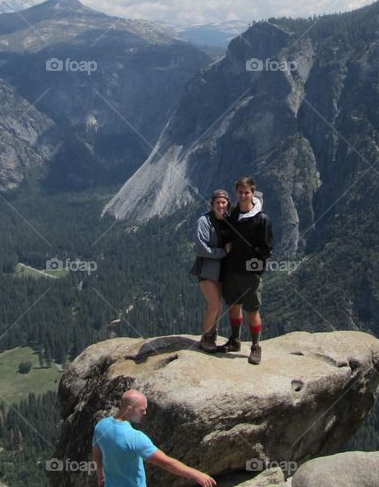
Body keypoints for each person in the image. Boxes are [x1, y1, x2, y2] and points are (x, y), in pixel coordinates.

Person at [91, 389, 216, 487]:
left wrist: (100, 475)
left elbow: (96, 453)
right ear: (129, 410)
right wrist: (197, 475)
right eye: (142, 410)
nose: (145, 413)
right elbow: (167, 463)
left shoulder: (101, 426)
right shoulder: (135, 438)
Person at [220, 176, 273, 365]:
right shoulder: (233, 215)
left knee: (252, 309)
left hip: (250, 273)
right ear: (236, 193)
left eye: (247, 192)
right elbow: (225, 232)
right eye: (240, 192)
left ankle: (256, 346)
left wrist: (256, 269)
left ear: (253, 193)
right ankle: (235, 340)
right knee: (233, 306)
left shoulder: (261, 219)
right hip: (232, 269)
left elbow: (266, 249)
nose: (243, 195)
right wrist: (226, 242)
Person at [191, 188, 232, 352]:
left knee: (219, 306)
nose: (221, 205)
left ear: (228, 204)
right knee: (214, 305)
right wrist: (222, 252)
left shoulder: (229, 220)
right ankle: (206, 337)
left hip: (222, 271)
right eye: (218, 203)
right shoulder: (204, 221)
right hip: (206, 271)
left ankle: (212, 335)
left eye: (223, 202)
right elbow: (201, 248)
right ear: (212, 204)